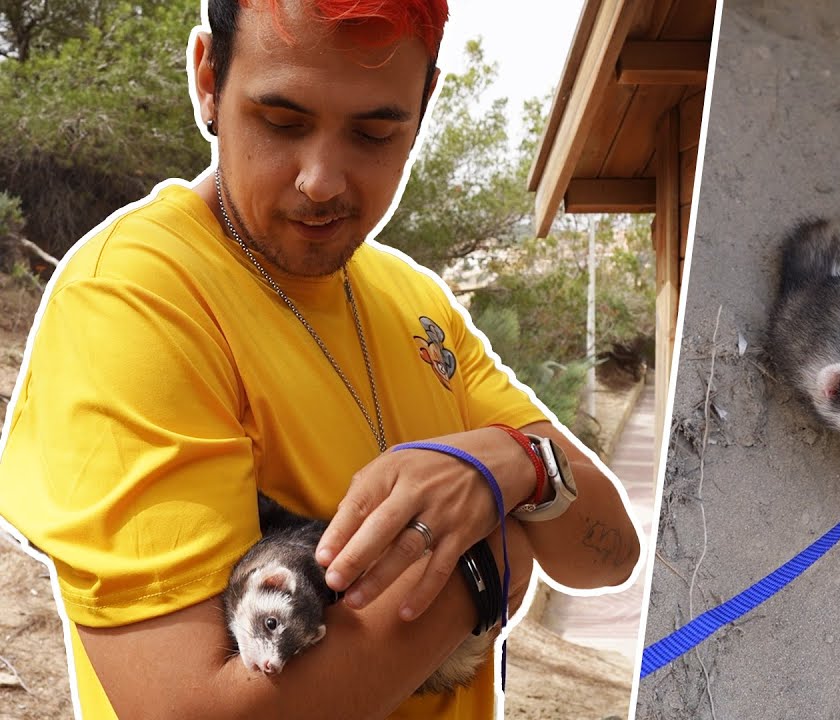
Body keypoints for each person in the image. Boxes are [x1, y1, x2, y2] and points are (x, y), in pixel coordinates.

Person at [0, 0, 642, 718]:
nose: (321, 180)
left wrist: (517, 464)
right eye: (282, 122)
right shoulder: (134, 300)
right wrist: (495, 558)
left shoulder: (415, 301)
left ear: (423, 107)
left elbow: (608, 553)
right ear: (208, 80)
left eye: (373, 133)